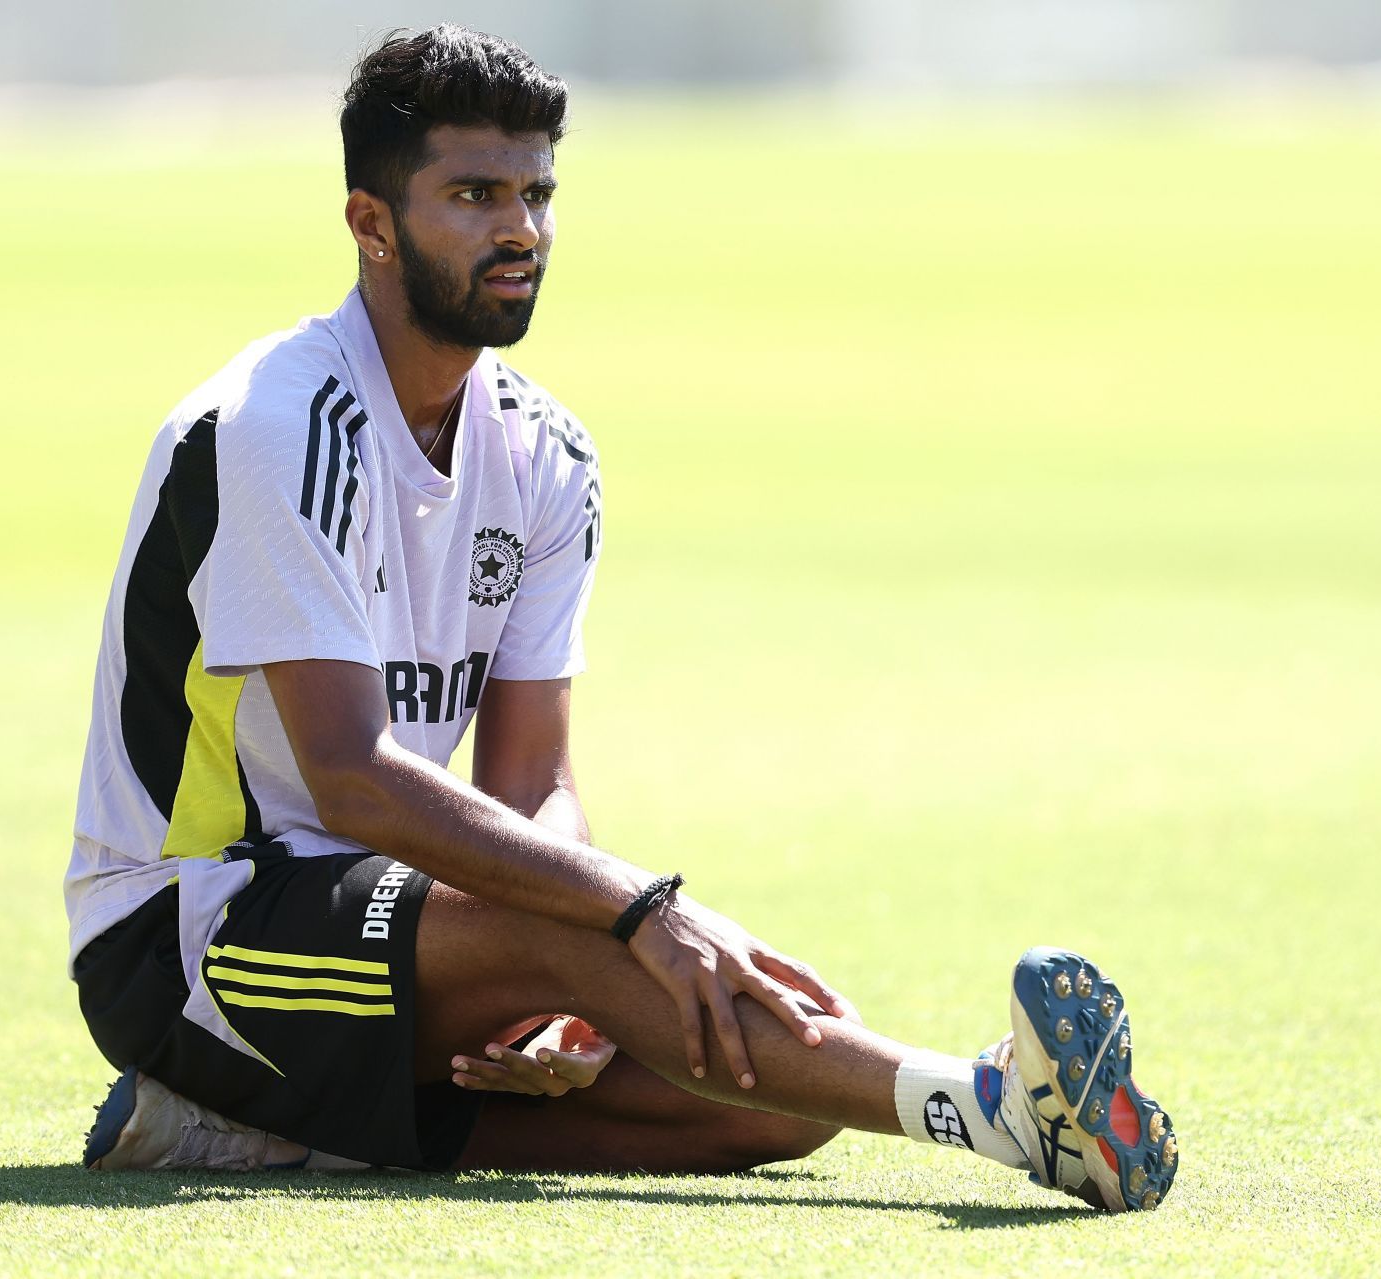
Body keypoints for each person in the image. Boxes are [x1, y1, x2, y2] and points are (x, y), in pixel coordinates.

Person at [66, 24, 1178, 1212]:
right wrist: (621, 911)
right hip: (190, 928)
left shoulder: (549, 457)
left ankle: (259, 1127)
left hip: (395, 916)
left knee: (767, 1101)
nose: (521, 229)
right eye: (475, 194)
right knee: (640, 956)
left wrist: (573, 963)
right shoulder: (283, 427)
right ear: (370, 224)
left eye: (538, 193)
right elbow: (350, 781)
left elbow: (536, 779)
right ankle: (1008, 1116)